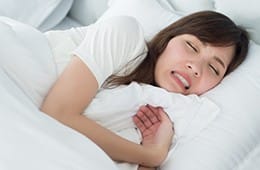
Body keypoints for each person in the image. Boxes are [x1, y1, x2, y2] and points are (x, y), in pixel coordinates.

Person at [41, 10, 249, 170]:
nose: (195, 67)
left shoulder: (165, 122)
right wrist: (152, 155)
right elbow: (56, 112)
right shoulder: (125, 34)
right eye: (192, 46)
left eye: (214, 68)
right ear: (168, 39)